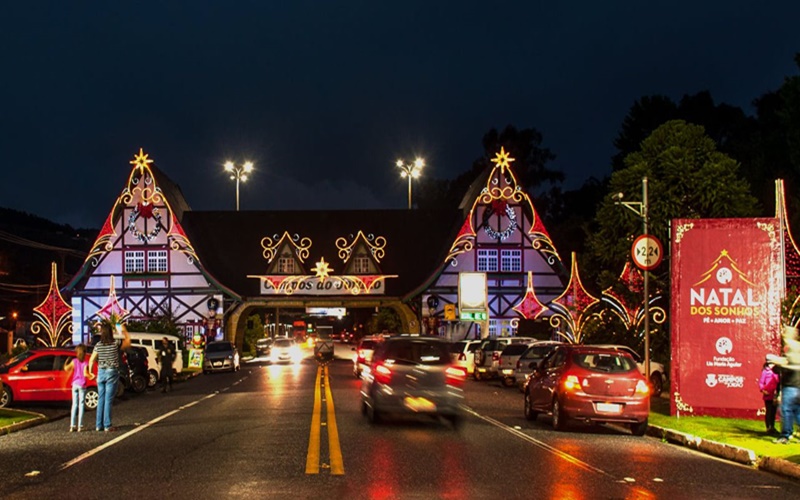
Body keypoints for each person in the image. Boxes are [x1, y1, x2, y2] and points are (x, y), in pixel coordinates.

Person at [88, 321, 131, 432]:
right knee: (108, 399)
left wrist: (90, 372)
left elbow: (92, 360)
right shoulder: (115, 343)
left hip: (101, 372)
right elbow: (127, 342)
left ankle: (99, 425)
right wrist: (123, 330)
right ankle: (107, 425)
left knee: (101, 399)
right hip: (112, 372)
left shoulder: (98, 345)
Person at [64, 344, 93, 432]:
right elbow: (85, 374)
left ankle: (72, 425)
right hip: (82, 385)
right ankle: (80, 425)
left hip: (75, 384)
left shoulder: (74, 361)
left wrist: (66, 361)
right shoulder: (85, 363)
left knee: (74, 405)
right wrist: (92, 376)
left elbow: (66, 369)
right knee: (81, 405)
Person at [758, 354, 781, 435]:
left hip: (775, 394)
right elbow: (761, 383)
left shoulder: (777, 372)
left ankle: (772, 427)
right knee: (769, 411)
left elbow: (778, 382)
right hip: (768, 394)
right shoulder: (765, 371)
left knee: (773, 412)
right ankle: (768, 427)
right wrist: (763, 390)